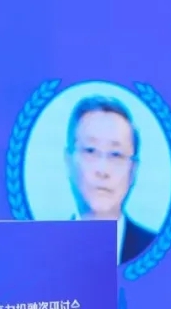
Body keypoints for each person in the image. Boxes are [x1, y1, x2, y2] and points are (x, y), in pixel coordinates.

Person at [64, 95, 158, 264]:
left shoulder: (158, 249)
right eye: (90, 151)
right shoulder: (41, 251)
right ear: (68, 161)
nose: (103, 170)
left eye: (116, 155)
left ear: (133, 170)